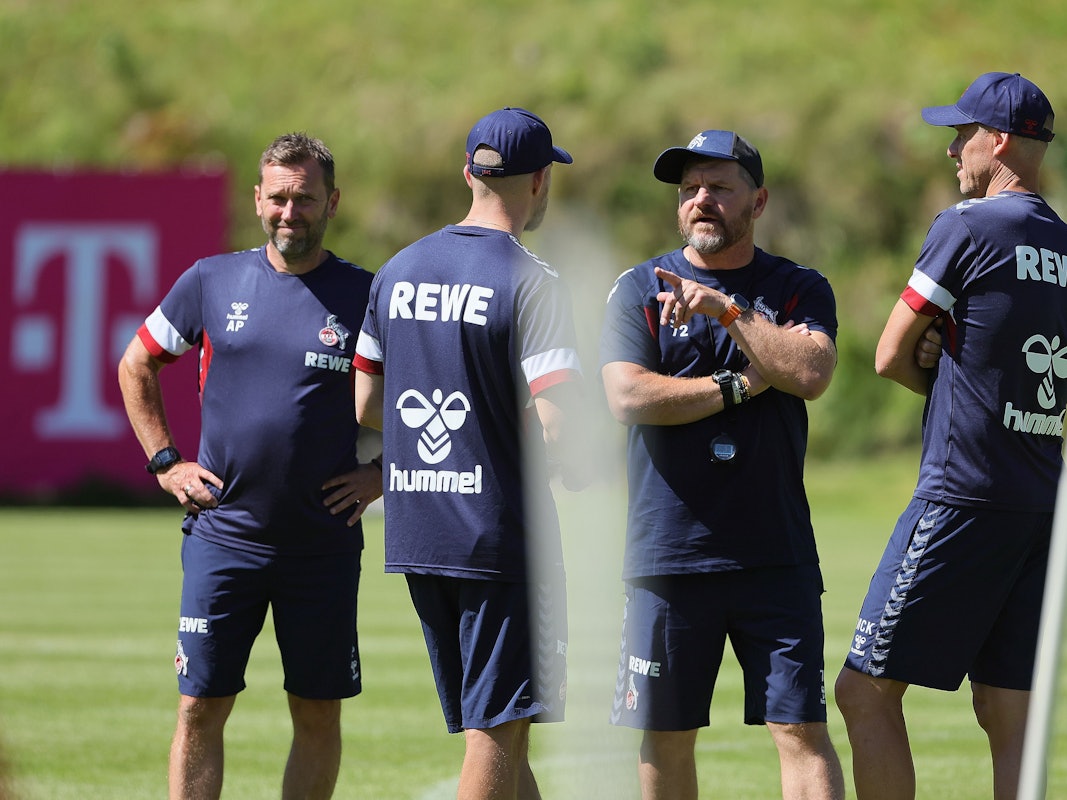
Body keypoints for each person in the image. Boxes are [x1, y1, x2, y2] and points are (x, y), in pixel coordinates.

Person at [117, 132, 381, 800]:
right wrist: (165, 462)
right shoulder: (211, 280)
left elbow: (424, 395)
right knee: (200, 706)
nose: (290, 212)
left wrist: (383, 474)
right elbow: (137, 361)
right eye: (279, 198)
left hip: (321, 545)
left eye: (306, 199)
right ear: (256, 199)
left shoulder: (366, 296)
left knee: (317, 711)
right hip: (223, 537)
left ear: (332, 203)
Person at [834, 72, 1066, 800]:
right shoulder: (1063, 243)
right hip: (1040, 504)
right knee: (1008, 710)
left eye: (960, 135)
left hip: (961, 496)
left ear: (996, 141)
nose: (950, 152)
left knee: (862, 692)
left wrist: (931, 368)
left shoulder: (964, 226)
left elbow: (886, 354)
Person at [599, 129, 845, 800]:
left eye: (718, 187)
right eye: (688, 190)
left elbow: (811, 372)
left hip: (774, 554)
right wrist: (738, 384)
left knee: (799, 732)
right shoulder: (639, 287)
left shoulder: (796, 286)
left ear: (758, 200)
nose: (699, 200)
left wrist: (729, 312)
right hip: (668, 556)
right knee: (665, 735)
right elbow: (626, 395)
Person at [353, 107, 585, 800]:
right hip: (497, 534)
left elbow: (365, 406)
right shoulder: (531, 278)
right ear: (541, 181)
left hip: (419, 528)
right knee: (501, 730)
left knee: (498, 726)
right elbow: (556, 424)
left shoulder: (398, 268)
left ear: (468, 172)